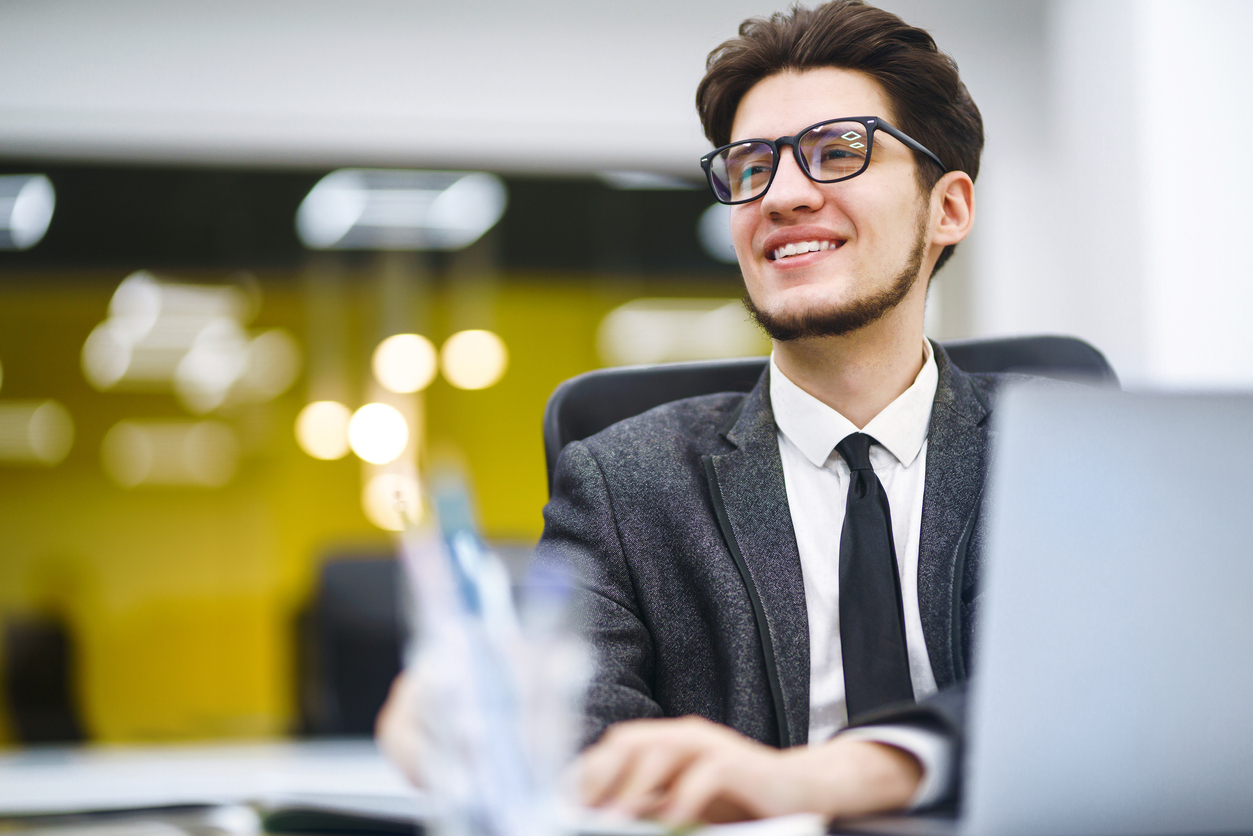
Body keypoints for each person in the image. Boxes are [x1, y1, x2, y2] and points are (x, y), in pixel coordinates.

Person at [380, 0, 989, 824]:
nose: (780, 195)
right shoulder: (626, 480)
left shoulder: (1056, 458)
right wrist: (498, 725)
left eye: (836, 151)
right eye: (749, 167)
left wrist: (843, 777)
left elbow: (1092, 691)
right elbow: (584, 737)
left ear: (947, 208)